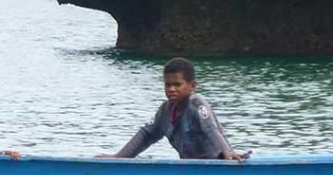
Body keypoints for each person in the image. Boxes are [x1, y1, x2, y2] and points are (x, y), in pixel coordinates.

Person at [105, 58, 245, 161]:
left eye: (177, 84)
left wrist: (226, 150)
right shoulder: (165, 110)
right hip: (189, 167)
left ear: (192, 85)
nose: (171, 89)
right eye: (168, 85)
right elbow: (147, 134)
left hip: (214, 164)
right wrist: (119, 157)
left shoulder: (197, 104)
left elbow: (210, 129)